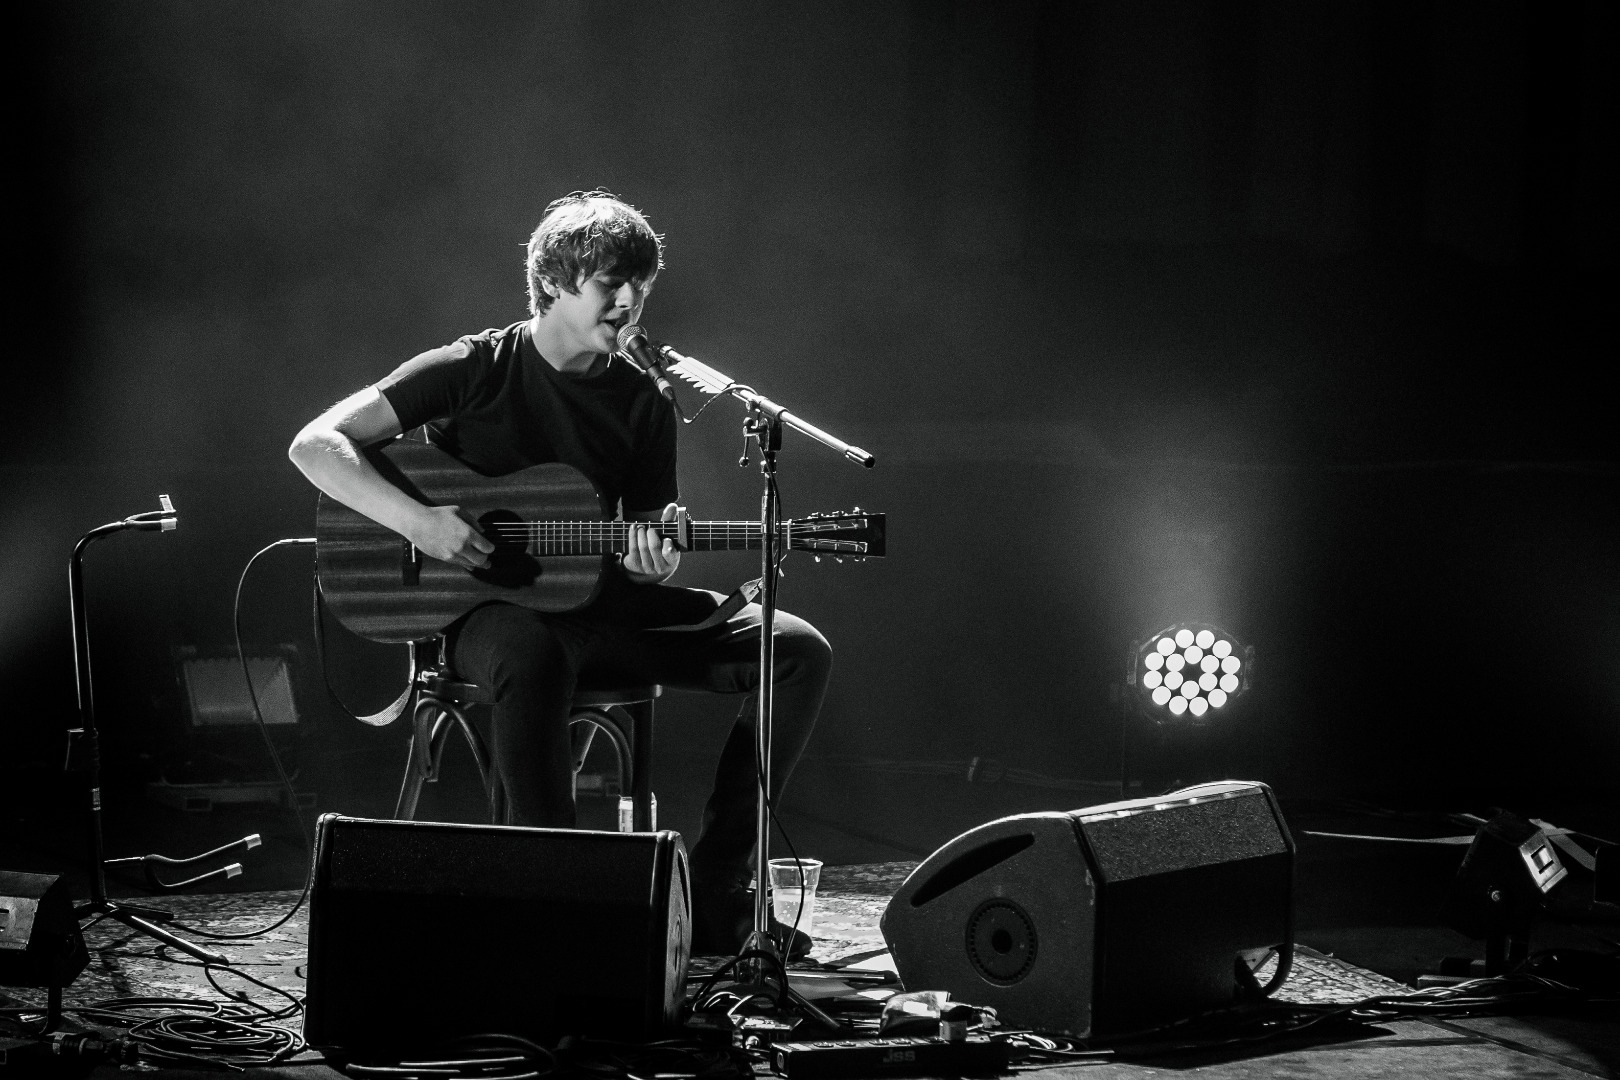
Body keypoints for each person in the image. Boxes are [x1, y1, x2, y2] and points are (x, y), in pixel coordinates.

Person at [288, 190, 831, 956]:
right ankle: (556, 912)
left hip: (598, 606)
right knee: (531, 650)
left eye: (641, 282)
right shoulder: (472, 367)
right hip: (483, 617)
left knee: (798, 649)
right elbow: (316, 445)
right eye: (611, 281)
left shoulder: (643, 399)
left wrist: (657, 559)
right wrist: (421, 524)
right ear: (553, 283)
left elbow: (645, 538)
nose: (631, 299)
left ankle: (716, 892)